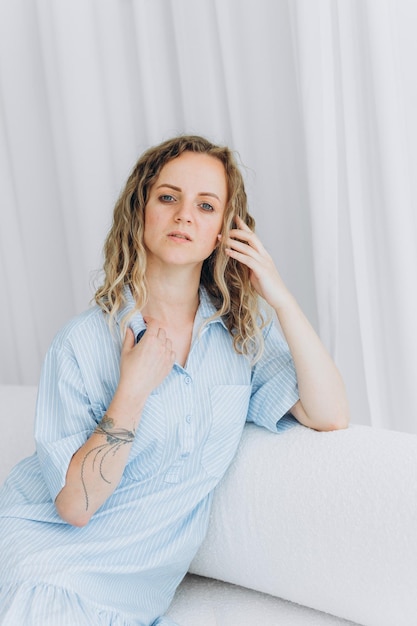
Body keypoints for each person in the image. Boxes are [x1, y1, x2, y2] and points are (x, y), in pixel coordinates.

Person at [0, 135, 349, 625]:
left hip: (136, 599)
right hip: (47, 572)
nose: (185, 214)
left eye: (206, 206)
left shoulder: (241, 339)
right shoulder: (81, 343)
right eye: (168, 197)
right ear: (140, 210)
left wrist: (279, 294)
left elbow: (330, 414)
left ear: (224, 233)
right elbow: (76, 507)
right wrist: (132, 391)